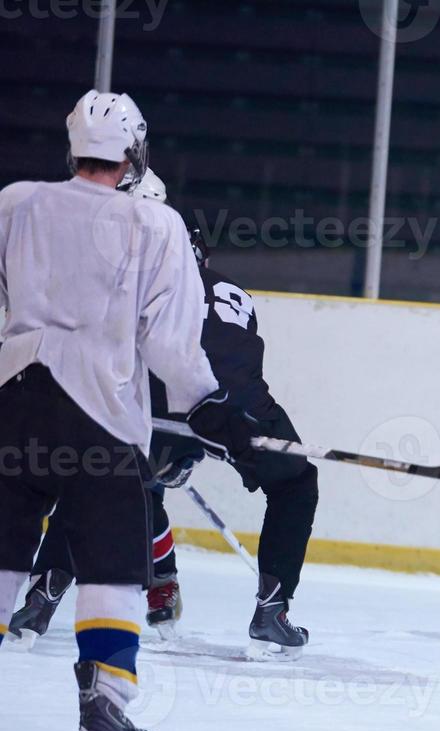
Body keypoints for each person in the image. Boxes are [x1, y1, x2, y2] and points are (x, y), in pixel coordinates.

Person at [0, 91, 260, 731]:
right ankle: (103, 711)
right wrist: (212, 407)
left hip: (15, 404)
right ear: (134, 153)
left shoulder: (15, 203)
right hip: (100, 415)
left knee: (1, 549)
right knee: (114, 567)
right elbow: (172, 347)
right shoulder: (158, 225)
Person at [7, 169, 316, 662]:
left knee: (98, 472)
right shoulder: (233, 290)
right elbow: (237, 362)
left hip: (167, 397)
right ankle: (272, 612)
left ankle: (41, 601)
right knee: (296, 483)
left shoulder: (124, 281)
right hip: (235, 410)